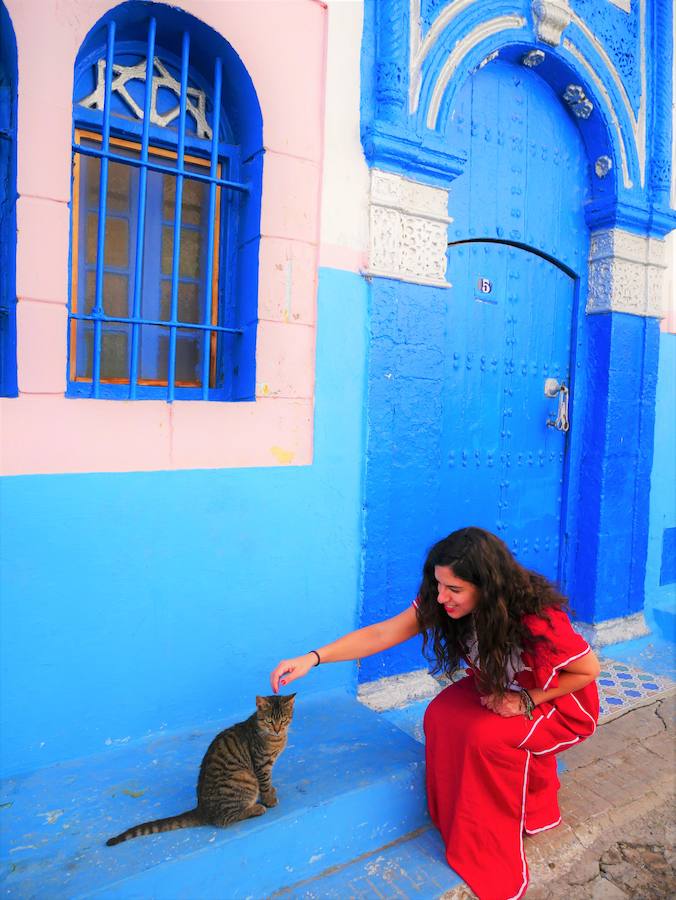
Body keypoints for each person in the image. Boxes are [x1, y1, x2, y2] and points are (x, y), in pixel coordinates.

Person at [270, 527, 600, 900]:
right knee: (440, 715)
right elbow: (382, 634)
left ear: (487, 587)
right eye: (439, 585)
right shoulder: (444, 600)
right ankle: (462, 817)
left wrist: (526, 700)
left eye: (454, 590)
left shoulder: (537, 618)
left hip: (557, 701)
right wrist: (313, 659)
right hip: (502, 688)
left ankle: (489, 832)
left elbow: (587, 672)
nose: (441, 598)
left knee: (483, 738)